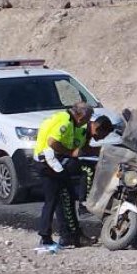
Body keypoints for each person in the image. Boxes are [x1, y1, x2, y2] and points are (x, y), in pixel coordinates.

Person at [33, 102, 95, 249]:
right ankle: (46, 237)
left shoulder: (65, 118)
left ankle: (67, 235)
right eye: (87, 119)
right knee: (52, 200)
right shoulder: (66, 122)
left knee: (61, 197)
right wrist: (70, 152)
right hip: (48, 164)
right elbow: (52, 142)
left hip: (50, 162)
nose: (87, 123)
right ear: (80, 116)